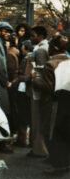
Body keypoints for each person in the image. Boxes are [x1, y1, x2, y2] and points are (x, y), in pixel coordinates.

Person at [32, 35, 70, 173]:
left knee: (51, 133)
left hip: (52, 104)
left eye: (49, 45)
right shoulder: (68, 61)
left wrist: (35, 79)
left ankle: (57, 164)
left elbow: (48, 87)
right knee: (65, 133)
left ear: (54, 47)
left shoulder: (50, 64)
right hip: (67, 102)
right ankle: (65, 162)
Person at [27, 26, 49, 158]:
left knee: (37, 119)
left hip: (37, 90)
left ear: (40, 36)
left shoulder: (41, 50)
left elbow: (40, 72)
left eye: (33, 35)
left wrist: (30, 78)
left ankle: (39, 148)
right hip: (40, 89)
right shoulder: (44, 47)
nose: (31, 38)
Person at [12, 40, 34, 147]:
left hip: (24, 89)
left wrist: (22, 78)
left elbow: (28, 74)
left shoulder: (28, 59)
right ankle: (22, 138)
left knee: (23, 115)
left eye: (22, 46)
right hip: (24, 88)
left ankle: (22, 139)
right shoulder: (29, 58)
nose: (21, 48)